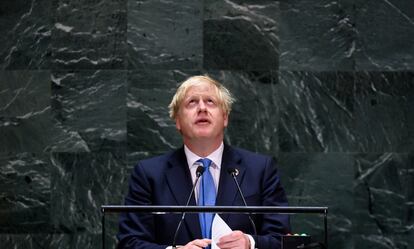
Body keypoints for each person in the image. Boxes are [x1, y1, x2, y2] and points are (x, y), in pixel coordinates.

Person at [117, 75, 290, 249]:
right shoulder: (149, 174)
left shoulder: (260, 170)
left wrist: (250, 243)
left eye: (210, 102)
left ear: (225, 118)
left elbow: (282, 239)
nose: (202, 108)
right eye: (192, 102)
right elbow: (129, 242)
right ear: (177, 121)